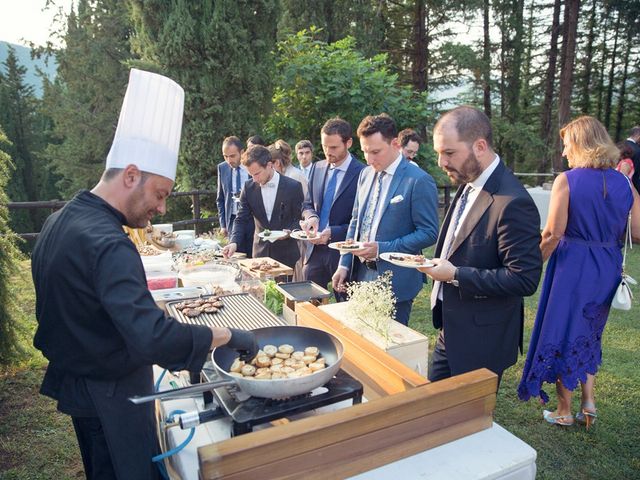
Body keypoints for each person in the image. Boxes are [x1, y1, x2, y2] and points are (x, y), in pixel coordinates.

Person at [31, 69, 258, 480]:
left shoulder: (62, 219)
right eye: (160, 194)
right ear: (131, 175)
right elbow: (152, 337)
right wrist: (225, 336)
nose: (161, 208)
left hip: (81, 382)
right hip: (112, 391)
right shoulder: (110, 243)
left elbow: (79, 300)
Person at [517, 116, 640, 427]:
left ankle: (563, 410)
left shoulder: (568, 180)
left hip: (573, 265)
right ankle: (588, 402)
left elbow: (553, 233)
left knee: (562, 332)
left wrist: (534, 263)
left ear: (581, 144)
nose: (564, 152)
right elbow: (636, 231)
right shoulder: (625, 183)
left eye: (567, 144)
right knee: (588, 334)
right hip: (607, 265)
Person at [421, 105, 542, 385]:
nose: (441, 162)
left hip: (482, 340)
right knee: (432, 410)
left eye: (449, 152)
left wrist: (455, 275)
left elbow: (524, 279)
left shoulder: (514, 203)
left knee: (466, 424)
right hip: (451, 328)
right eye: (439, 152)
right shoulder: (468, 181)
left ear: (480, 146)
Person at [332, 113, 439, 326]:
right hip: (359, 273)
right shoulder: (365, 174)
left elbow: (429, 232)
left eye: (376, 152)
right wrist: (344, 263)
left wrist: (382, 248)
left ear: (395, 144)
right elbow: (356, 221)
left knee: (390, 348)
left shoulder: (419, 180)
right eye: (364, 152)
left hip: (395, 280)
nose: (370, 159)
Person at [299, 118, 364, 295]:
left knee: (345, 305)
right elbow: (307, 203)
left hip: (343, 252)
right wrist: (311, 216)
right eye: (324, 146)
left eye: (334, 147)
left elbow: (361, 221)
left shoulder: (363, 173)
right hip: (314, 250)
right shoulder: (317, 168)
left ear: (348, 142)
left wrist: (333, 232)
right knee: (309, 303)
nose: (328, 152)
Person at [222, 145, 304, 269]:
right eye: (251, 175)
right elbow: (241, 219)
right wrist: (234, 242)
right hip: (260, 253)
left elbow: (299, 219)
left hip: (287, 254)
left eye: (257, 174)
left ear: (270, 165)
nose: (254, 179)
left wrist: (290, 231)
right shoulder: (248, 188)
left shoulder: (293, 187)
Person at [216, 136, 253, 256]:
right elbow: (220, 198)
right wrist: (223, 225)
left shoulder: (252, 167)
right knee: (236, 256)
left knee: (253, 256)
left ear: (242, 153)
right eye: (225, 156)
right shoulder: (222, 168)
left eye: (232, 156)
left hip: (252, 219)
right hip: (232, 220)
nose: (228, 160)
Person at [624, 126, 640, 192]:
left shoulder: (618, 145)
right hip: (629, 187)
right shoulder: (637, 151)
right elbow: (635, 174)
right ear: (639, 136)